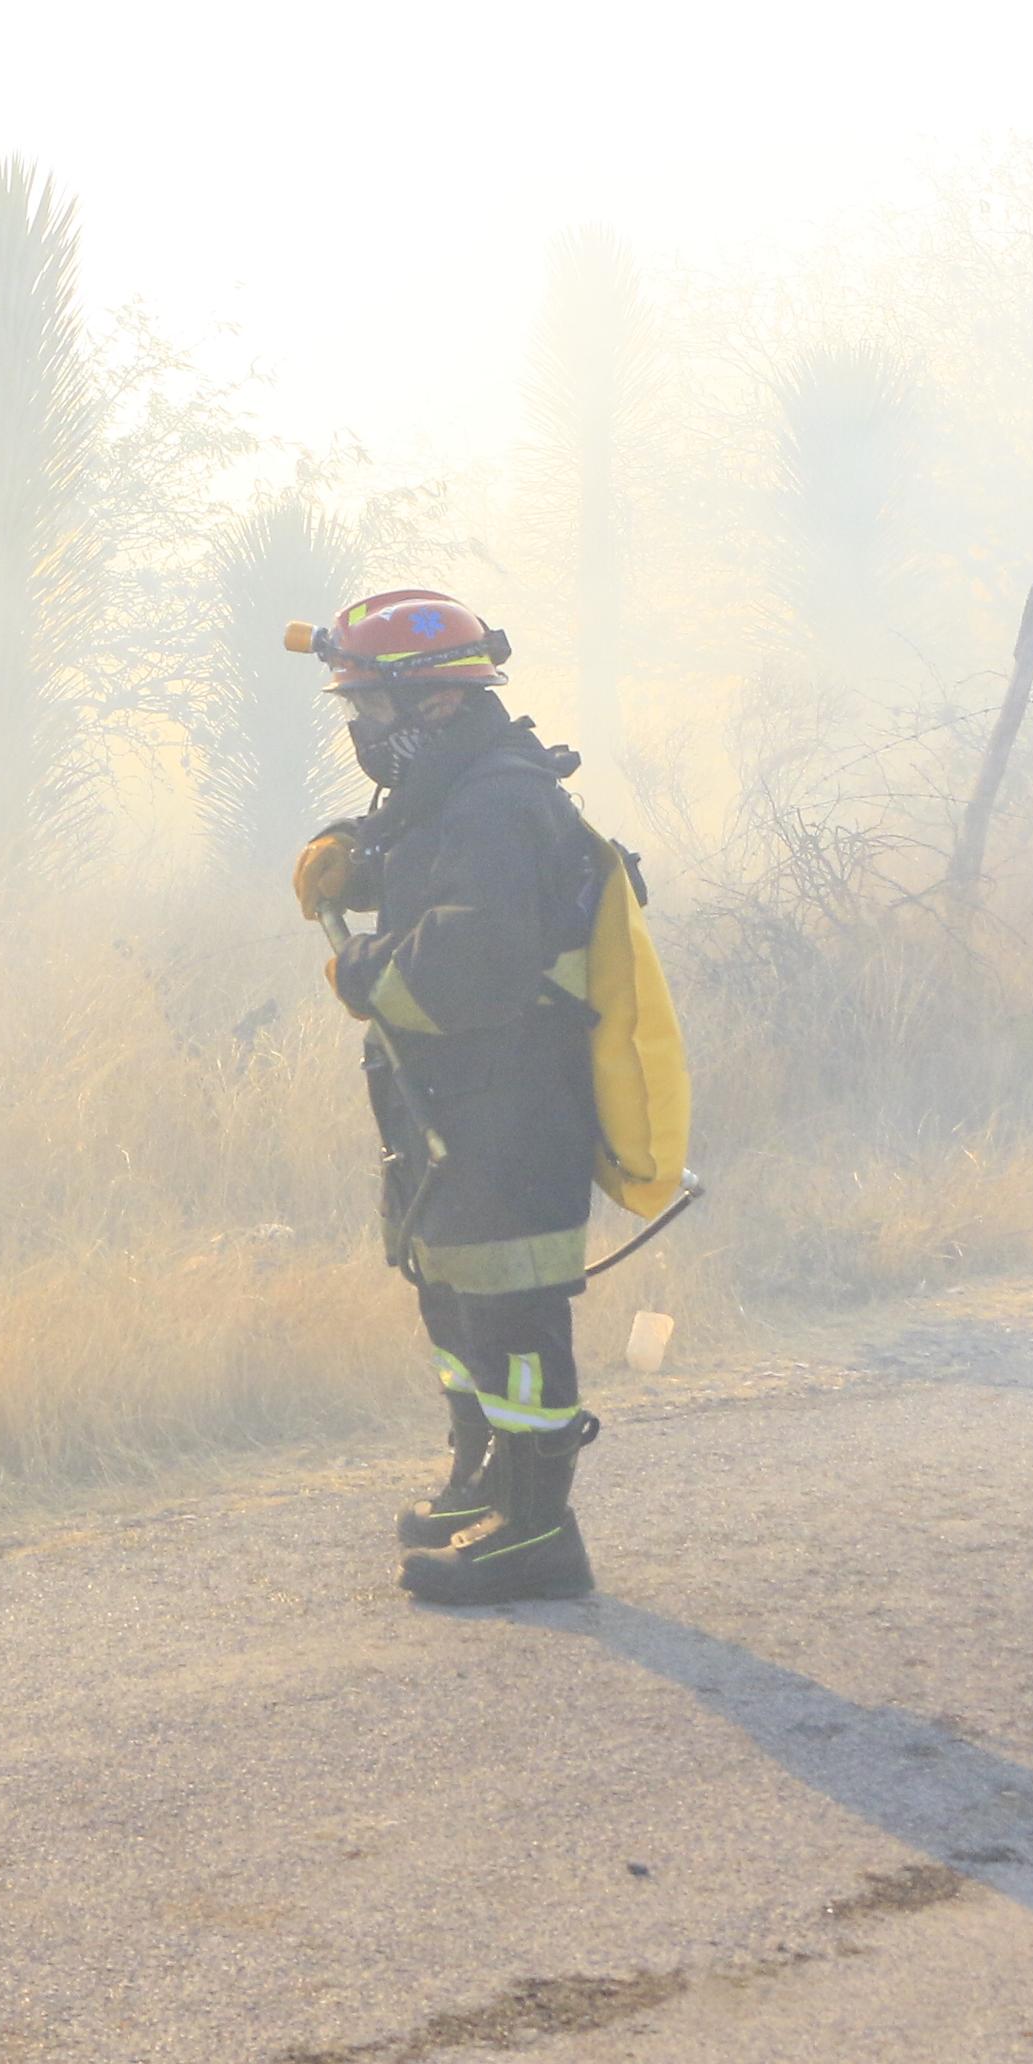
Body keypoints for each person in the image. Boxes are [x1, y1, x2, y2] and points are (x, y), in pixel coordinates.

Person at [292, 589, 610, 1605]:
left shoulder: (501, 799)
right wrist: (360, 854)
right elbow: (430, 865)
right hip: (457, 1111)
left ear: (426, 706)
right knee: (456, 1303)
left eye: (369, 713)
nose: (359, 734)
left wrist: (360, 972)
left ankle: (535, 1533)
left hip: (512, 1113)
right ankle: (481, 1484)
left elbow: (470, 957)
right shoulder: (455, 784)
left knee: (510, 1319)